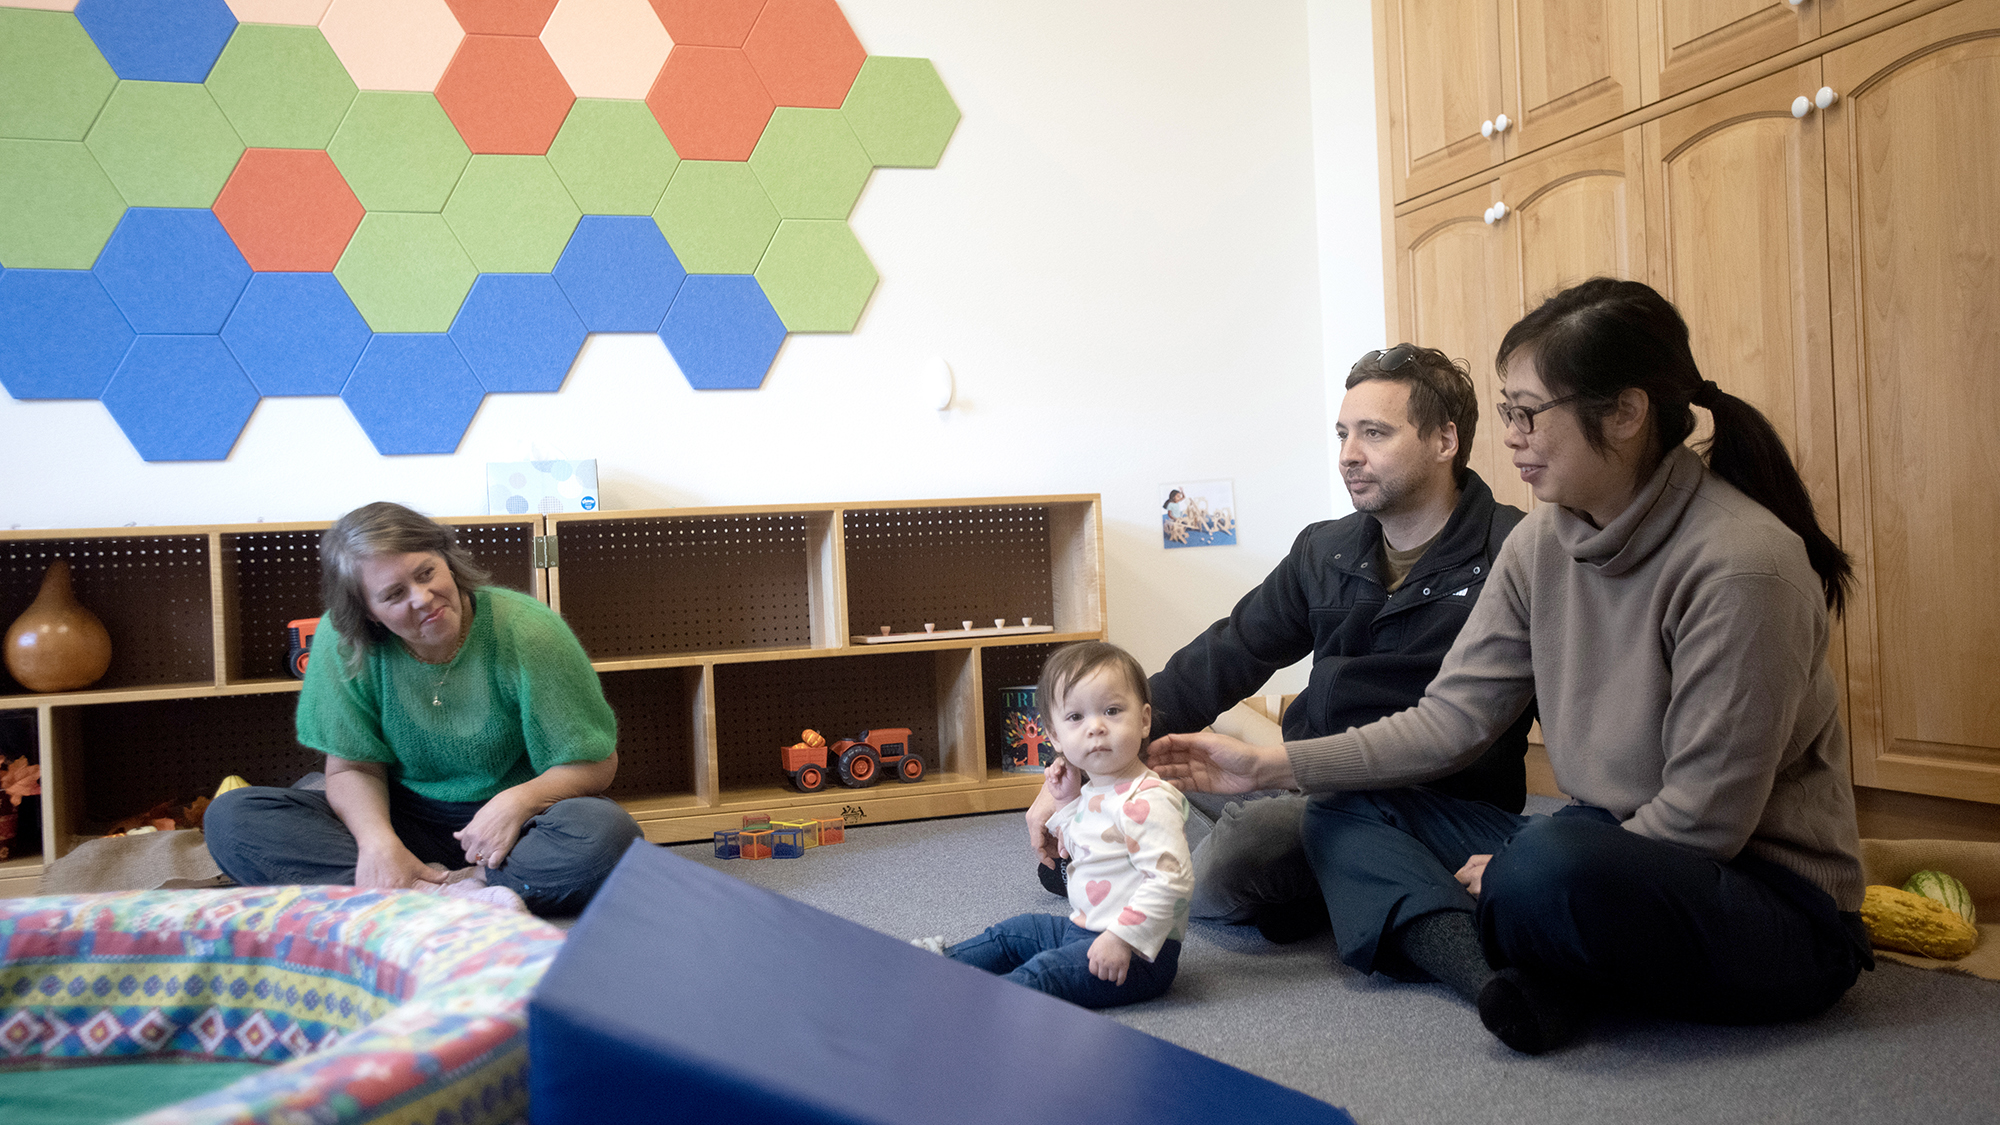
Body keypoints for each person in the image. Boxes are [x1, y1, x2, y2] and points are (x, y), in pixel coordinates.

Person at [1150, 278, 1874, 1054]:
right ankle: (1507, 956)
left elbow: (1705, 821)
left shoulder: (1741, 565)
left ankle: (1518, 935)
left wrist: (1516, 869)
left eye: (1528, 413)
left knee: (1546, 866)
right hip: (1610, 844)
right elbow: (1448, 721)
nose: (1512, 436)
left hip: (1764, 899)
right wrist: (1269, 766)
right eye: (1507, 412)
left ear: (1625, 413)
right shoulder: (1542, 543)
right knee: (1352, 804)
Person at [1029, 345, 1533, 942]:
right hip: (1301, 772)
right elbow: (1224, 657)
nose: (1349, 455)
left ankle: (1317, 881)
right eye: (1343, 433)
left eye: (1374, 433)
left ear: (1445, 441)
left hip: (1429, 802)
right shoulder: (1326, 549)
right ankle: (1326, 881)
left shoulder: (1516, 552)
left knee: (1227, 864)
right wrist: (1075, 772)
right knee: (1166, 767)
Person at [205, 502, 643, 916]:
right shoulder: (341, 645)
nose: (424, 597)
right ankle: (450, 890)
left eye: (427, 572)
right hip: (403, 818)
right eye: (394, 594)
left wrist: (518, 801)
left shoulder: (529, 631)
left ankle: (428, 893)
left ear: (447, 560)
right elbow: (351, 768)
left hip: (516, 825)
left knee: (608, 837)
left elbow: (596, 764)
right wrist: (378, 843)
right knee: (232, 818)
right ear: (368, 613)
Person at [915, 642, 1193, 1009]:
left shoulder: (1149, 799)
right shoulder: (1096, 789)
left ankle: (972, 1010)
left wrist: (1121, 938)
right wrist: (1065, 803)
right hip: (1083, 929)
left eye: (1112, 711)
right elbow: (1089, 843)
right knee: (1014, 933)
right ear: (1055, 736)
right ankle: (933, 969)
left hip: (1138, 956)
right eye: (1076, 717)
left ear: (1143, 720)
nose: (1095, 727)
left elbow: (1172, 880)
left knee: (1042, 974)